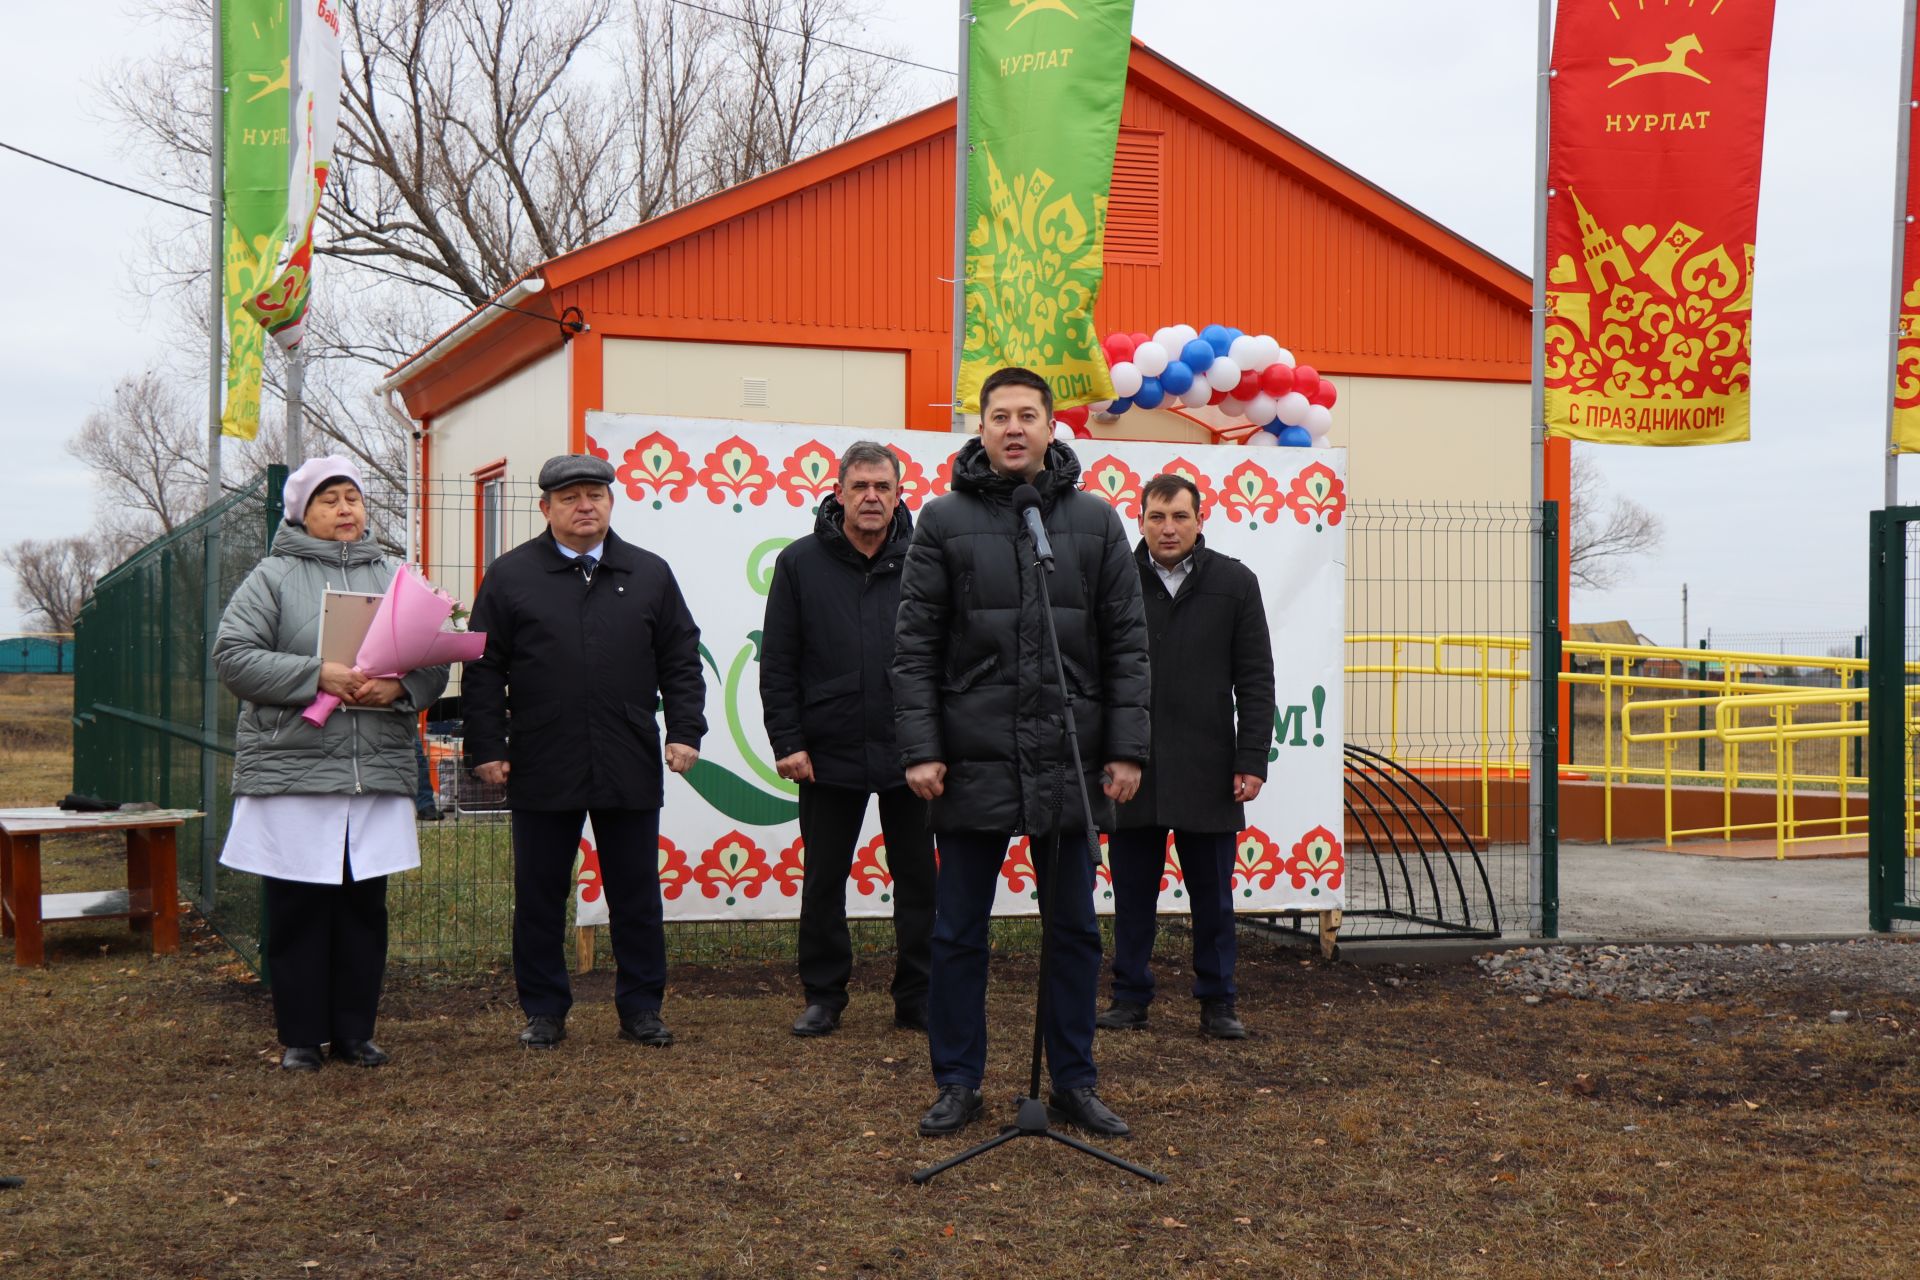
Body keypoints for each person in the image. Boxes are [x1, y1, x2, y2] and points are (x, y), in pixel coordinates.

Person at [892, 366, 1151, 1140]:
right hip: (971, 758)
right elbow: (914, 648)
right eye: (999, 415)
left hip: (1067, 756)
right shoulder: (940, 520)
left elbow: (1128, 646)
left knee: (1073, 930)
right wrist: (922, 749)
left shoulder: (1095, 523)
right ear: (980, 428)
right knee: (958, 931)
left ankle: (1073, 1080)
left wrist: (1127, 751)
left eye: (1027, 416)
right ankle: (957, 1081)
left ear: (1049, 427)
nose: (1013, 428)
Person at [215, 455, 450, 1072]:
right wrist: (315, 674)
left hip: (372, 772)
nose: (346, 510)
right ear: (302, 513)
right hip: (294, 771)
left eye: (352, 498)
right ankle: (299, 1037)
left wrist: (398, 690)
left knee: (363, 907)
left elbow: (433, 662)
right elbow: (234, 658)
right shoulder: (271, 577)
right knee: (297, 907)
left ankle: (354, 1033)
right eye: (329, 500)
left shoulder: (397, 575)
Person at [464, 454, 706, 1050]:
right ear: (545, 508)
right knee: (541, 891)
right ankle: (544, 1010)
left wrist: (685, 730)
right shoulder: (510, 575)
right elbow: (483, 668)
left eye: (595, 494)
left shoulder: (648, 573)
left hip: (627, 749)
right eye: (569, 497)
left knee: (635, 891)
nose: (585, 506)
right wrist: (488, 745)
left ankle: (642, 1008)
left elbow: (681, 656)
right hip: (542, 753)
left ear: (611, 502)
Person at [761, 441, 934, 1038]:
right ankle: (824, 996)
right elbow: (778, 660)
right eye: (859, 486)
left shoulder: (925, 559)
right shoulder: (800, 562)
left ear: (898, 494)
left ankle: (919, 996)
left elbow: (949, 654)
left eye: (882, 487)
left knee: (919, 880)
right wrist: (788, 740)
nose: (870, 497)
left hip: (912, 748)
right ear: (837, 493)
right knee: (824, 878)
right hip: (826, 749)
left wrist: (939, 743)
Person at [1098, 473, 1276, 1040]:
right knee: (1131, 896)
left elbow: (1255, 680)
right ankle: (1129, 998)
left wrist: (1251, 757)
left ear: (1201, 519)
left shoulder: (1235, 582)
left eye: (1179, 516)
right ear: (1140, 519)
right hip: (1133, 764)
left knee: (1214, 900)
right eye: (1156, 517)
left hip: (1210, 767)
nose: (1167, 528)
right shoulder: (1113, 578)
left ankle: (1218, 1002)